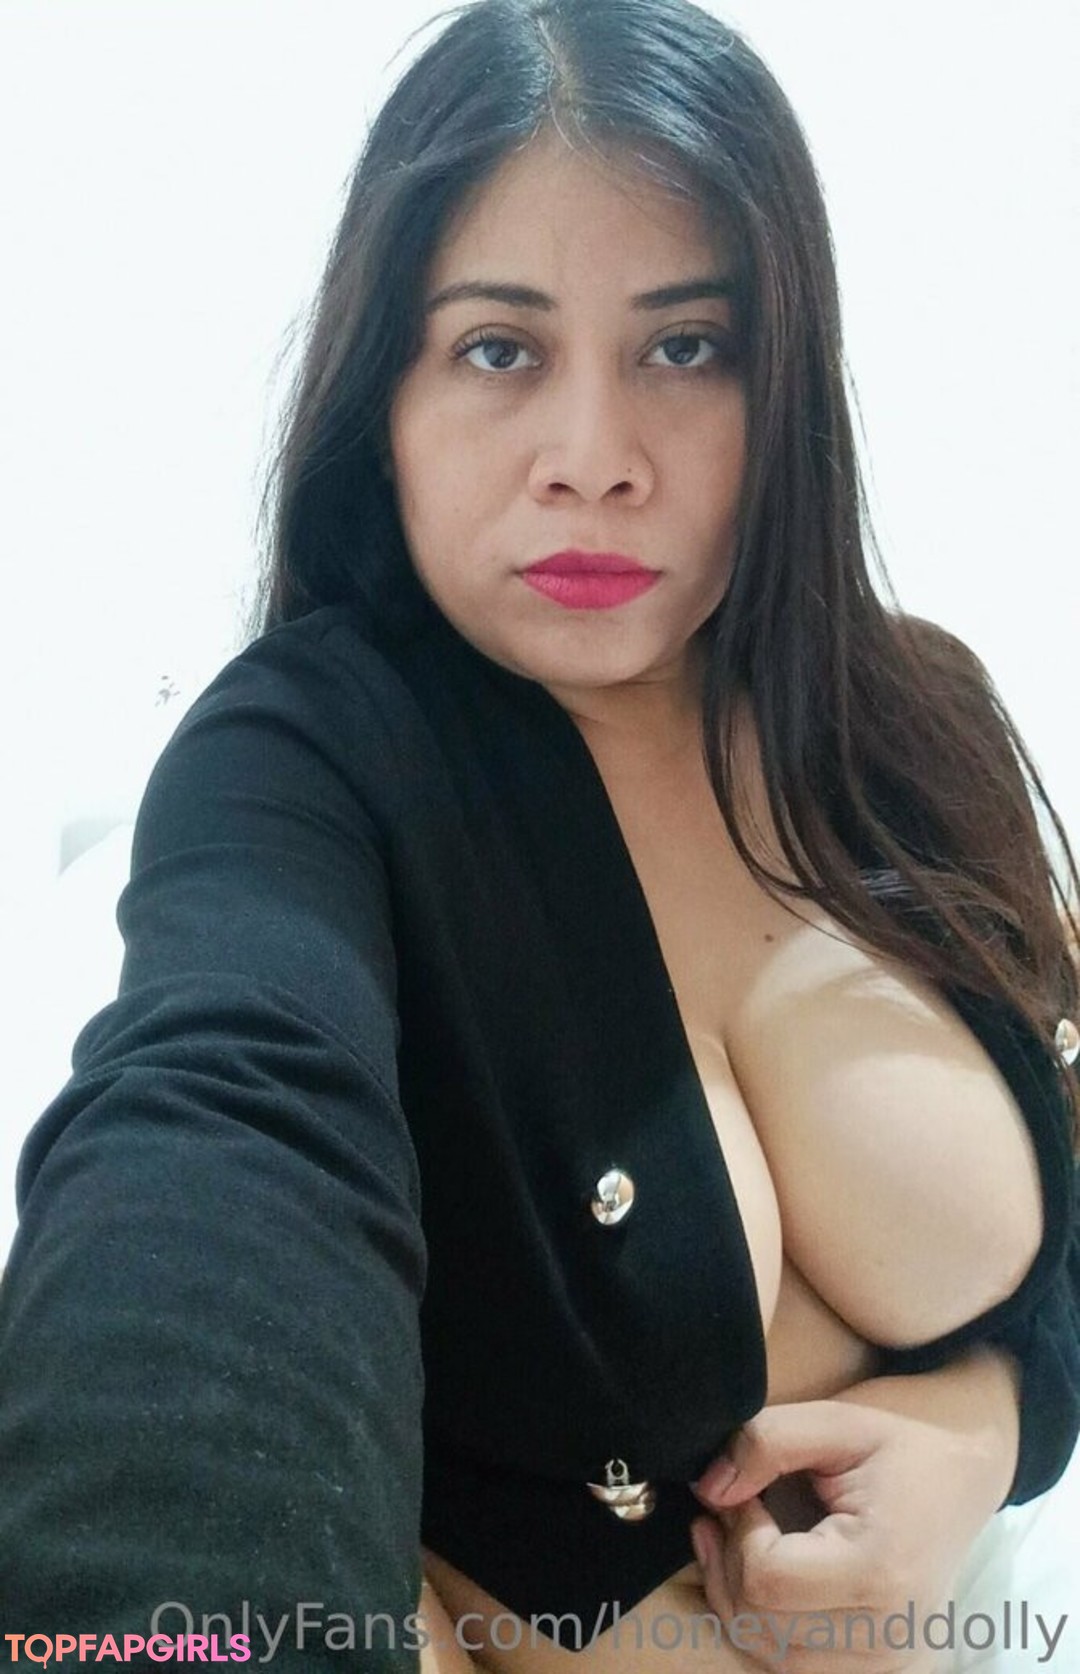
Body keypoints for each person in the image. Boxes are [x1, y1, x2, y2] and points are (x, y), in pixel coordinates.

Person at [1, 1, 1077, 1671]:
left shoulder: (907, 713)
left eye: (686, 346)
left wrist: (994, 1419)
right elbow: (205, 1174)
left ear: (784, 379)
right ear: (386, 395)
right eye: (500, 350)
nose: (594, 461)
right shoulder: (297, 761)